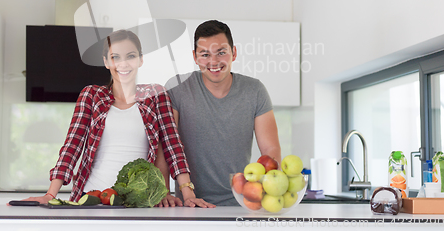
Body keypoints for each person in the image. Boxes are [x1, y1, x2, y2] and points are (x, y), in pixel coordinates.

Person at [23, 29, 214, 208]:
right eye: (116, 57)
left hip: (138, 203)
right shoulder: (91, 95)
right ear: (106, 62)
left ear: (140, 59)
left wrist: (188, 194)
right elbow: (72, 146)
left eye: (130, 56)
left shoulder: (155, 95)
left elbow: (173, 146)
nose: (123, 64)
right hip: (91, 199)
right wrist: (50, 194)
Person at [166, 20, 281, 206]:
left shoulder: (255, 91)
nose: (214, 61)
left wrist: (271, 188)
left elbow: (270, 150)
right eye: (205, 54)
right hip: (190, 205)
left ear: (233, 53)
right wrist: (165, 191)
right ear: (195, 57)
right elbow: (167, 146)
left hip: (242, 202)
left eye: (221, 52)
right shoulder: (178, 88)